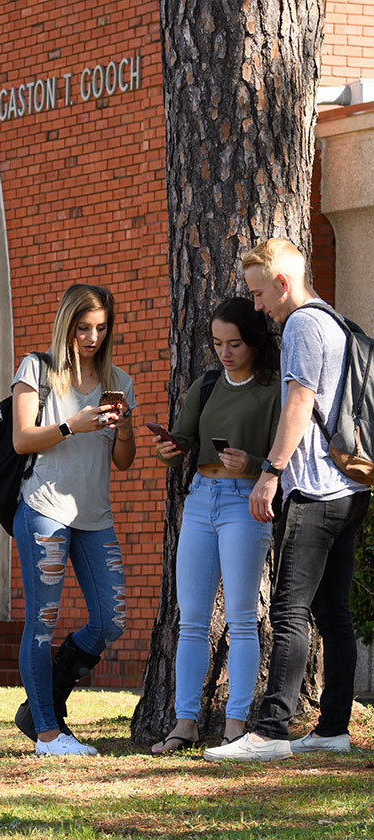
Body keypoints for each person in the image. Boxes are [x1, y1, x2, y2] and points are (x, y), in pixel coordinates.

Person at [204, 238, 371, 762]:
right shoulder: (334, 321)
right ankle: (333, 728)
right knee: (333, 612)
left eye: (258, 294)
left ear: (282, 283)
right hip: (352, 487)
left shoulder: (300, 324)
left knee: (290, 609)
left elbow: (300, 403)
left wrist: (270, 473)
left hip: (314, 490)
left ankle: (271, 730)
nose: (256, 306)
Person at [150, 298, 281, 754]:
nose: (225, 352)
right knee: (192, 622)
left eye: (235, 344)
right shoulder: (205, 386)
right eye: (218, 343)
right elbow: (183, 440)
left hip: (245, 501)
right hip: (201, 499)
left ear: (254, 341)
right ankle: (184, 723)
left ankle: (236, 727)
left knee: (243, 620)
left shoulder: (274, 390)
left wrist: (255, 463)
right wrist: (169, 449)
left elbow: (289, 458)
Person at [11, 283, 136, 757]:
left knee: (112, 620)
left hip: (94, 516)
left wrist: (123, 428)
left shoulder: (117, 381)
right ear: (67, 324)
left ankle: (45, 698)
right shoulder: (36, 370)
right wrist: (71, 425)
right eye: (83, 327)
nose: (92, 337)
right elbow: (23, 440)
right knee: (41, 620)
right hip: (44, 509)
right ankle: (47, 734)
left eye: (101, 328)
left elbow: (124, 460)